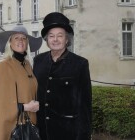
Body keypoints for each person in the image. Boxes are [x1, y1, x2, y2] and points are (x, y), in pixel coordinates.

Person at [33, 12, 92, 140]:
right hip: (41, 133)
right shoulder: (38, 61)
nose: (55, 39)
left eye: (60, 36)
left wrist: (84, 136)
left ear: (67, 40)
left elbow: (85, 106)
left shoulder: (80, 64)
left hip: (68, 133)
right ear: (46, 40)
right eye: (51, 36)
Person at [0, 26, 42, 140]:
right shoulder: (4, 65)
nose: (21, 41)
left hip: (29, 126)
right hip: (13, 129)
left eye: (24, 38)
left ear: (27, 43)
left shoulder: (27, 65)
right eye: (16, 38)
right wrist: (26, 107)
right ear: (10, 42)